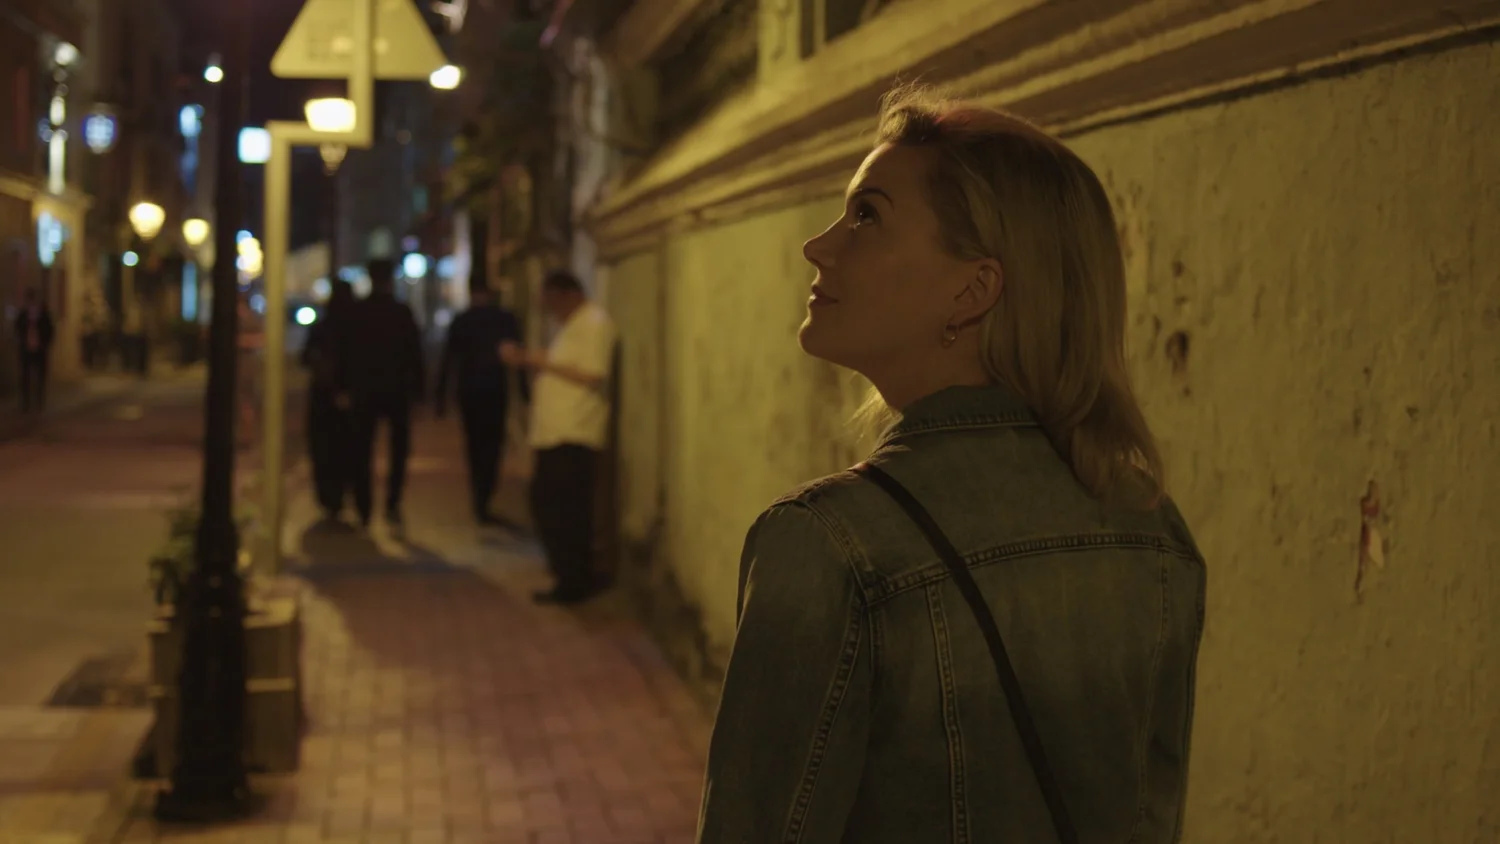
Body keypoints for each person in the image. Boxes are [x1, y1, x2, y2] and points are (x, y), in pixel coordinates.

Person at [695, 85, 1207, 843]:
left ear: (973, 289)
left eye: (866, 216)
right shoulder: (1151, 527)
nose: (819, 246)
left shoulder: (827, 546)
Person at [501, 270, 617, 605]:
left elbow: (593, 374)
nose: (551, 311)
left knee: (565, 511)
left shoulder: (594, 324)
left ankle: (573, 581)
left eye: (552, 303)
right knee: (552, 507)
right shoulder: (574, 326)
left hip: (574, 433)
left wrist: (542, 361)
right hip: (556, 434)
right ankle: (569, 575)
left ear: (567, 295)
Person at [337, 259, 425, 528]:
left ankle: (364, 506)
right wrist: (419, 391)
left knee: (362, 449)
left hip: (365, 389)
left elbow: (345, 353)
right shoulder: (401, 312)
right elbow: (414, 353)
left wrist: (343, 387)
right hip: (396, 389)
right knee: (398, 450)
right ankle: (392, 502)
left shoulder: (358, 312)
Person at [435, 284, 528, 526]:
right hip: (494, 390)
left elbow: (449, 359)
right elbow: (517, 356)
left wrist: (440, 397)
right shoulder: (504, 320)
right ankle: (484, 494)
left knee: (475, 445)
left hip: (470, 391)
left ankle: (479, 495)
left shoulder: (463, 320)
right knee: (492, 445)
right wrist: (525, 392)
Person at [301, 279, 356, 521]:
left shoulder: (322, 327)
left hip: (323, 397)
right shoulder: (355, 329)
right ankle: (339, 494)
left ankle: (329, 497)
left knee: (323, 448)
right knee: (346, 448)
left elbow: (305, 358)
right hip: (348, 397)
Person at [13, 287, 53, 413]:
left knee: (40, 376)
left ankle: (39, 400)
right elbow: (17, 327)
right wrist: (21, 339)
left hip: (39, 350)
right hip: (26, 349)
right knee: (25, 376)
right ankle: (26, 402)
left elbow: (49, 330)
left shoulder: (43, 314)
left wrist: (45, 344)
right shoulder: (23, 314)